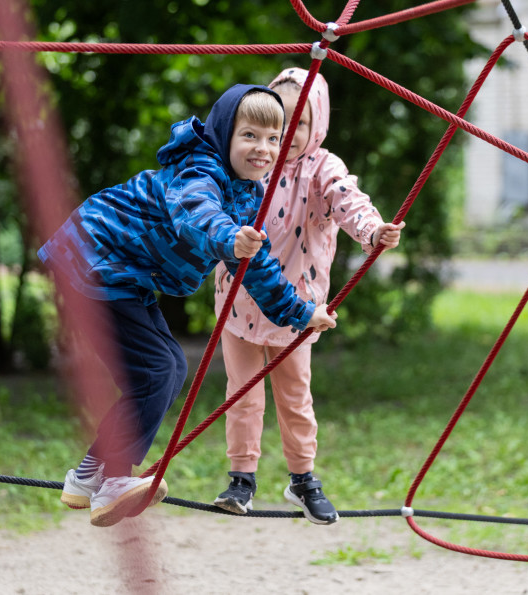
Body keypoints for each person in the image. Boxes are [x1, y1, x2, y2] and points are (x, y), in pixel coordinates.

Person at [38, 83, 338, 528]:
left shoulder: (248, 193)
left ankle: (88, 477)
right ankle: (113, 479)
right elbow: (196, 214)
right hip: (94, 257)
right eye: (250, 135)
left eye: (274, 138)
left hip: (124, 273)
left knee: (169, 368)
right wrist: (227, 237)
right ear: (224, 134)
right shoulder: (198, 168)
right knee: (157, 370)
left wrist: (301, 312)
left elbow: (254, 268)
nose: (264, 148)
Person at [212, 68, 404, 525]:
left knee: (295, 398)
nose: (290, 132)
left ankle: (302, 478)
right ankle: (242, 479)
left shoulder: (322, 167)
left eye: (302, 122)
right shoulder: (252, 160)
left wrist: (372, 229)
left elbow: (347, 199)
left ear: (316, 124)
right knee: (242, 396)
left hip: (297, 309)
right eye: (283, 119)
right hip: (239, 301)